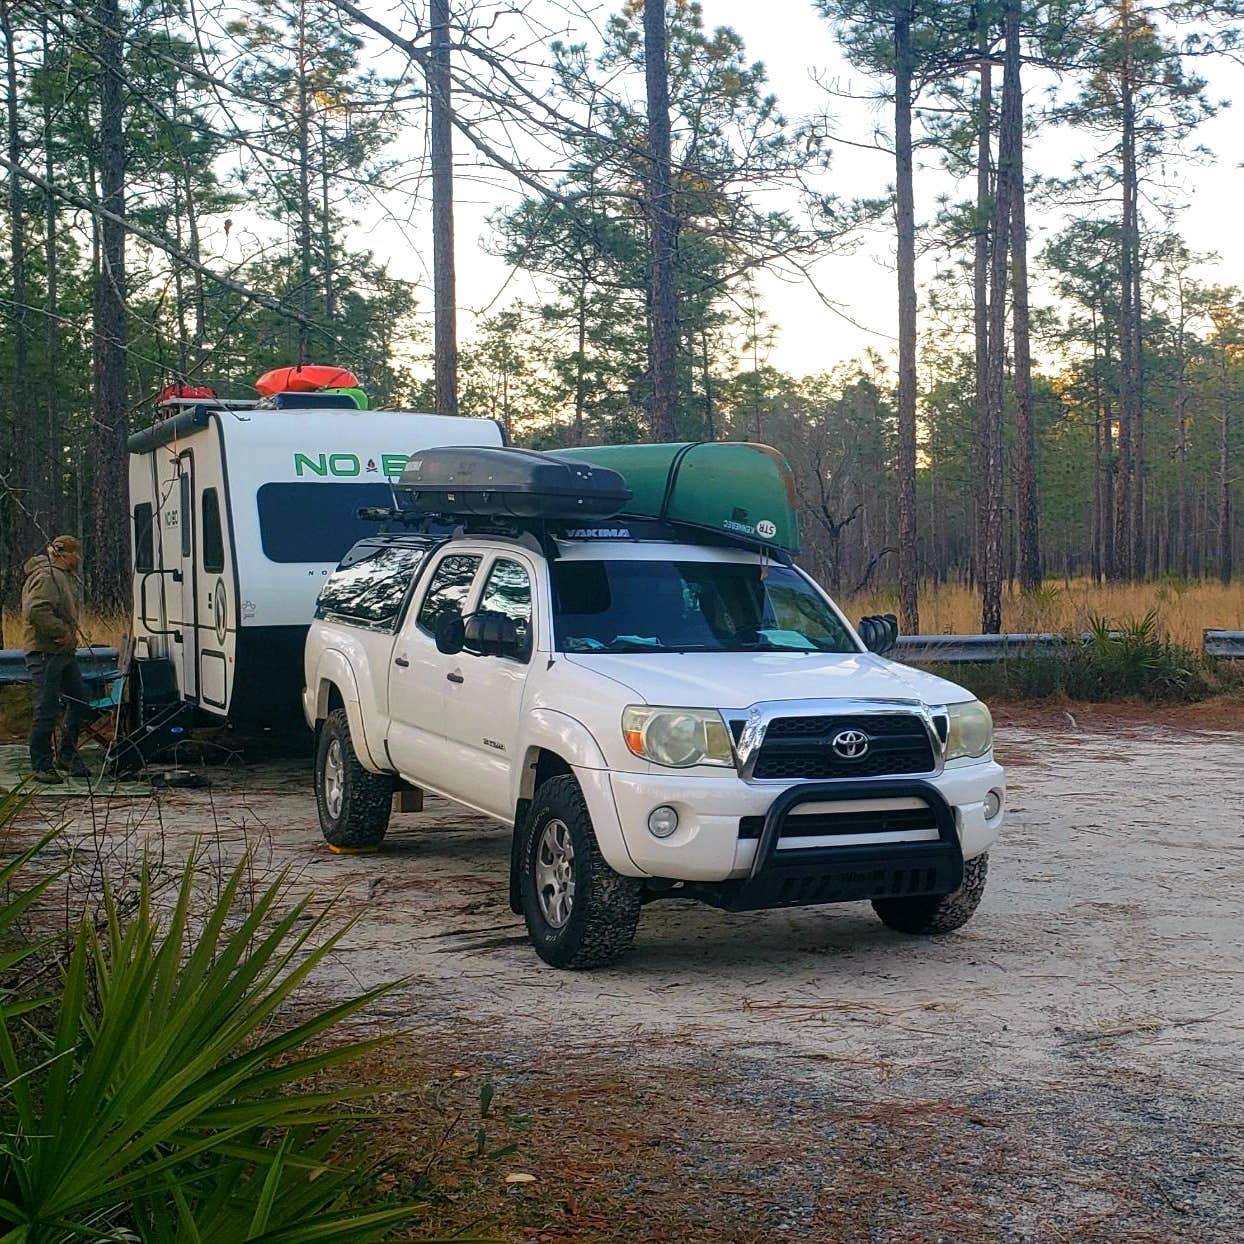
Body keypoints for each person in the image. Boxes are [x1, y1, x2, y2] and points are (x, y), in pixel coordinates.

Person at [21, 535, 93, 783]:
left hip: (62, 654)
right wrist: (61, 632)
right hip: (46, 653)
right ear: (66, 554)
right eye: (76, 553)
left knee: (79, 701)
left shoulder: (59, 576)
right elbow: (35, 610)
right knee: (47, 708)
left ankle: (67, 754)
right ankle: (41, 764)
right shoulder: (48, 576)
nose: (78, 558)